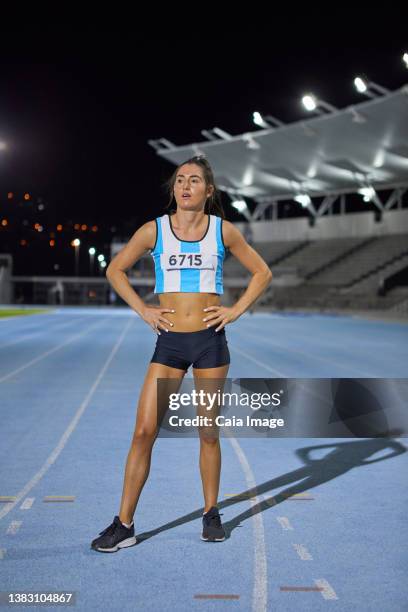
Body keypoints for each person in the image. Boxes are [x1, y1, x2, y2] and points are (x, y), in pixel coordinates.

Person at [91, 155, 272, 552]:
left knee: (207, 432)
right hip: (170, 343)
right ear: (173, 189)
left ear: (209, 191)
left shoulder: (223, 232)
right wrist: (143, 309)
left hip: (210, 342)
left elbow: (263, 273)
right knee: (143, 432)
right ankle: (124, 524)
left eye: (194, 180)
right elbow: (115, 270)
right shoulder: (154, 230)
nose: (185, 186)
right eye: (179, 180)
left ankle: (211, 513)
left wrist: (235, 310)